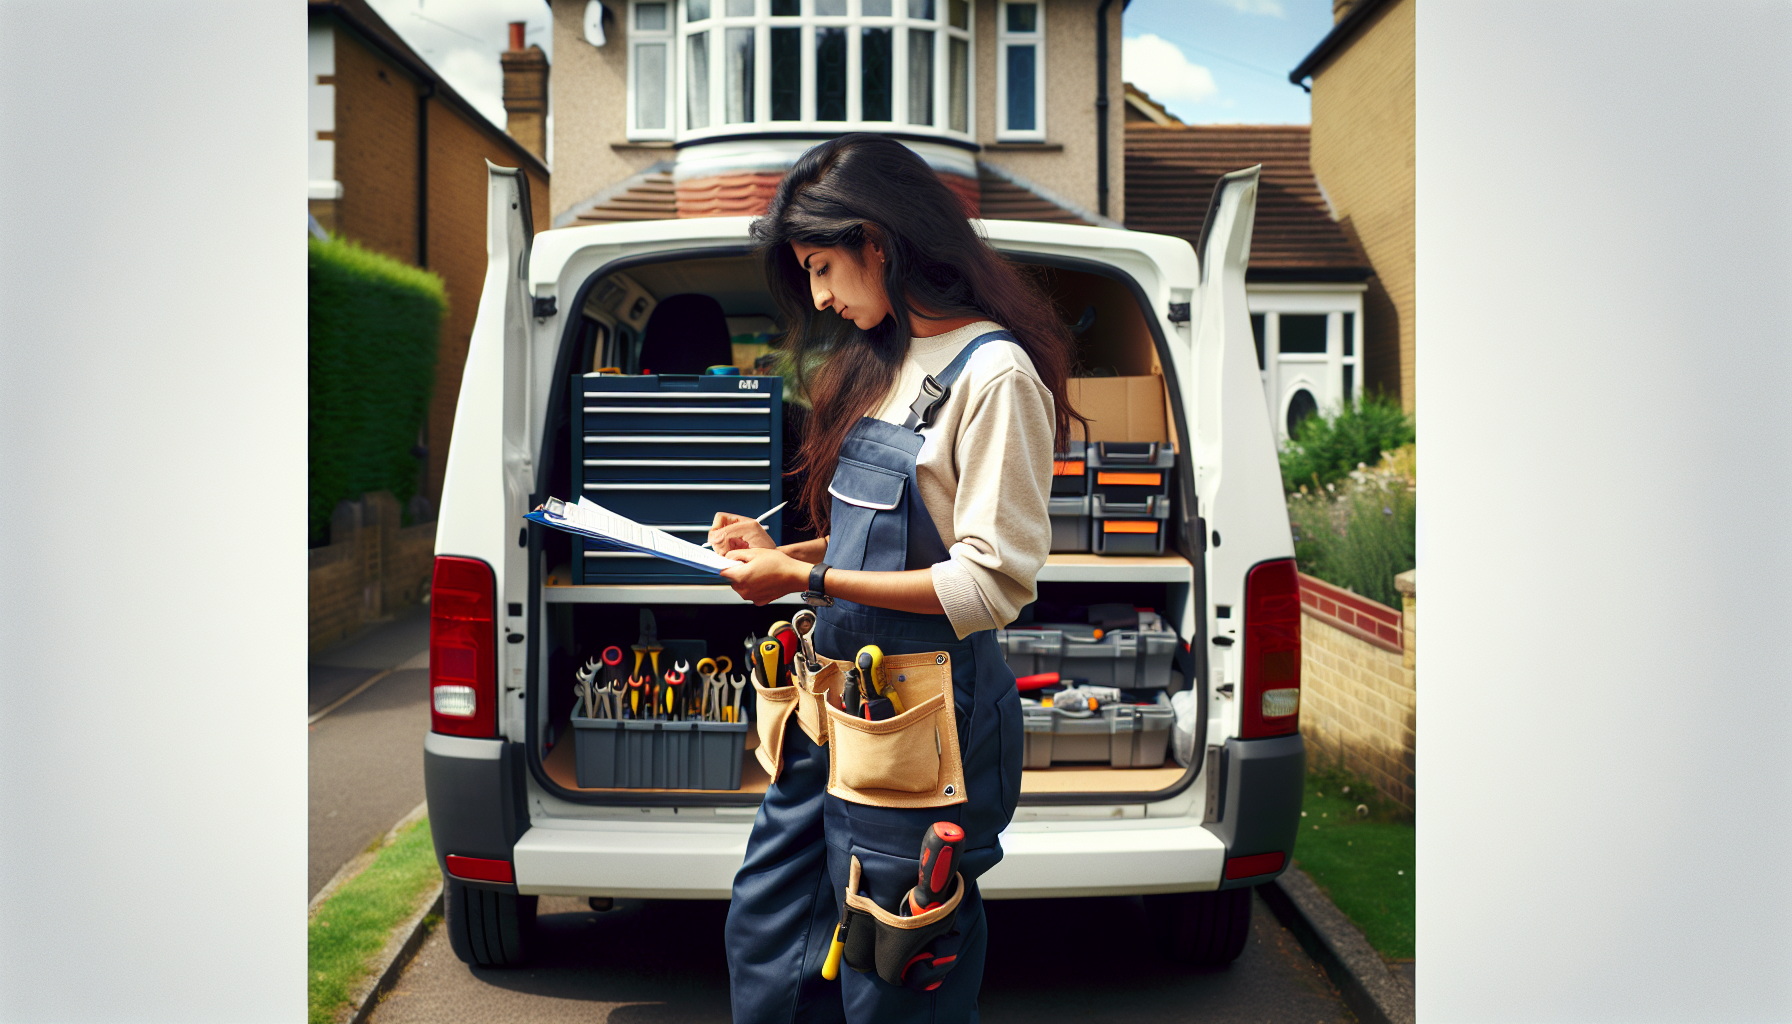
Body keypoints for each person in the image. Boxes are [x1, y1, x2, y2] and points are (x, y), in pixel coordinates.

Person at [708, 133, 1082, 1024]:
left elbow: (984, 586)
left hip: (923, 733)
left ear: (879, 241)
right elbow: (868, 541)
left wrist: (814, 582)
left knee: (895, 968)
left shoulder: (996, 377)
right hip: (830, 718)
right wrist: (782, 555)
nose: (820, 295)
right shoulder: (885, 362)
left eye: (824, 265)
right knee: (770, 935)